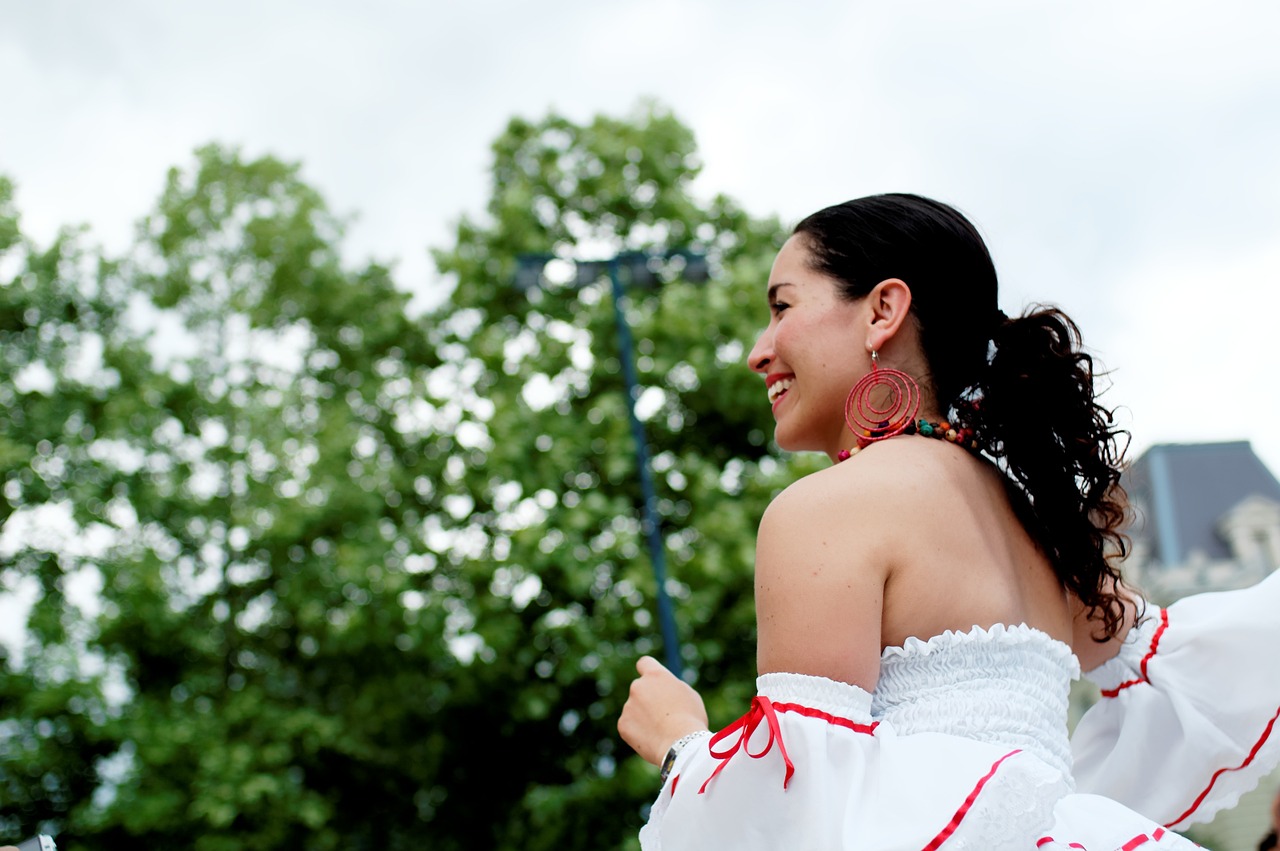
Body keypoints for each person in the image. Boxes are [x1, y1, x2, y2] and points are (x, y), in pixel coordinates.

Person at [617, 193, 1280, 849]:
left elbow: (812, 812)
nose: (759, 351)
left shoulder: (825, 510)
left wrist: (682, 747)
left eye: (782, 306)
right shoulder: (1037, 525)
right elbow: (1194, 668)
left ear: (883, 311)